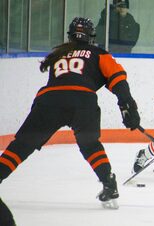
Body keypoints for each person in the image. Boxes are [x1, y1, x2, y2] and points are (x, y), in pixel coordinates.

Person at [0, 17, 140, 209]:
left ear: (70, 35)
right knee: (90, 144)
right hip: (83, 101)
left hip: (50, 101)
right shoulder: (98, 53)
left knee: (22, 145)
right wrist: (127, 106)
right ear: (91, 36)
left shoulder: (58, 53)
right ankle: (109, 183)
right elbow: (118, 80)